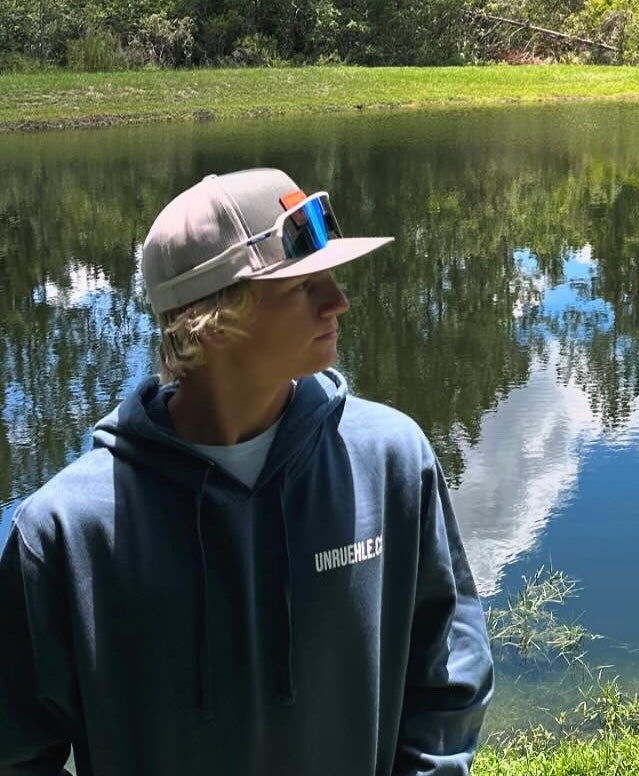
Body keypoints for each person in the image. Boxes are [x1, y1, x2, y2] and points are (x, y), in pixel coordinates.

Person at [0, 168, 494, 775]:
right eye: (303, 285)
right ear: (213, 321)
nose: (338, 300)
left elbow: (449, 674)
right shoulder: (67, 533)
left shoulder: (392, 463)